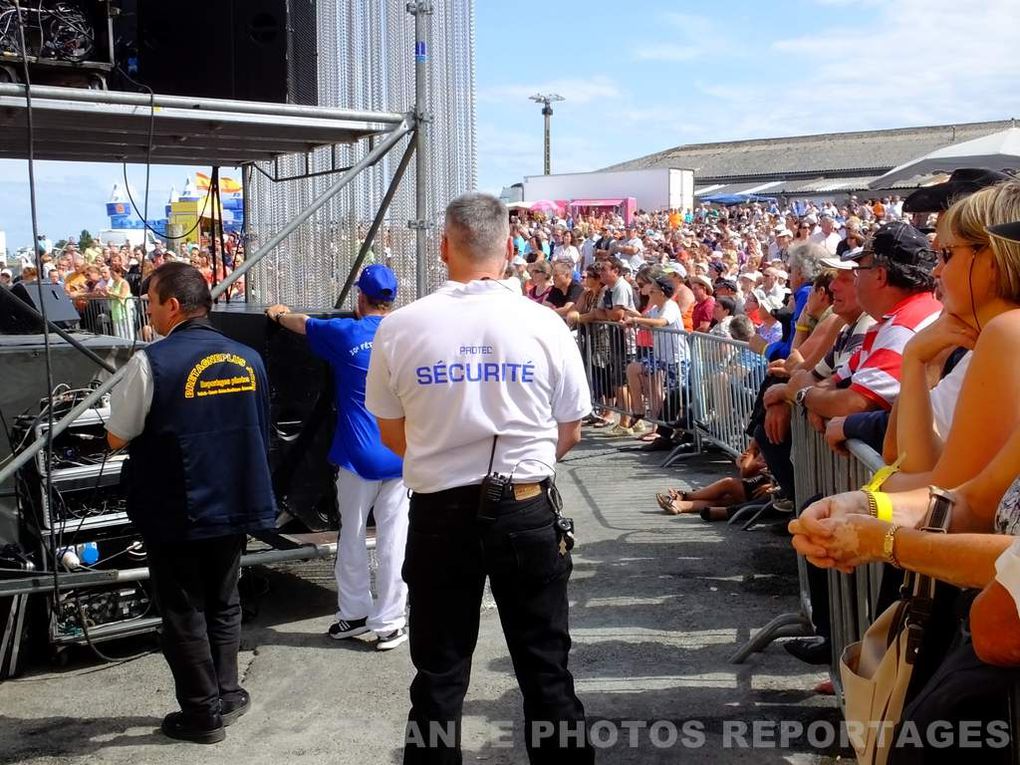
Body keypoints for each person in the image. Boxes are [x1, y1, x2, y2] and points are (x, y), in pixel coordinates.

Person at [365, 192, 594, 764]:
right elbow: (570, 432)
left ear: (445, 248)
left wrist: (445, 456)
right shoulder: (543, 324)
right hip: (523, 503)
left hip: (440, 509)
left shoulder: (400, 327)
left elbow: (393, 437)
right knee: (545, 668)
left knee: (439, 675)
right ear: (509, 248)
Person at [105, 262, 276, 744]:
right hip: (235, 497)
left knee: (183, 610)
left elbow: (117, 435)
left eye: (153, 302)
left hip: (176, 505)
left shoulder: (151, 360)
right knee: (224, 600)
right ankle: (226, 693)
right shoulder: (249, 357)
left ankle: (202, 713)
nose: (151, 313)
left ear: (174, 305)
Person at [266, 265, 409, 651]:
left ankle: (355, 612)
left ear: (360, 298)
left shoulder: (346, 333)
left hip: (358, 456)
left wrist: (277, 313)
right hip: (402, 453)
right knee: (395, 540)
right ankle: (392, 621)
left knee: (352, 534)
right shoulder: (408, 335)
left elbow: (302, 323)